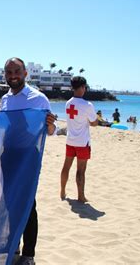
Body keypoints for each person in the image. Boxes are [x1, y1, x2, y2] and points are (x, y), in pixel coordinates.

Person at [0, 57, 56, 265]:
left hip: (28, 156)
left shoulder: (38, 98)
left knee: (28, 205)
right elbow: (3, 125)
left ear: (25, 73)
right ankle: (14, 245)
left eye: (17, 71)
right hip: (9, 155)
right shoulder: (5, 99)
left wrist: (50, 125)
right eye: (9, 72)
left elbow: (50, 131)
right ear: (5, 75)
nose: (13, 76)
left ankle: (28, 254)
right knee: (10, 201)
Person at [60, 76, 98, 204]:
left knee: (66, 167)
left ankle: (62, 191)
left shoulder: (68, 103)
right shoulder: (87, 105)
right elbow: (94, 123)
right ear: (82, 87)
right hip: (82, 142)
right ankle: (81, 197)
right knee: (81, 170)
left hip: (70, 140)